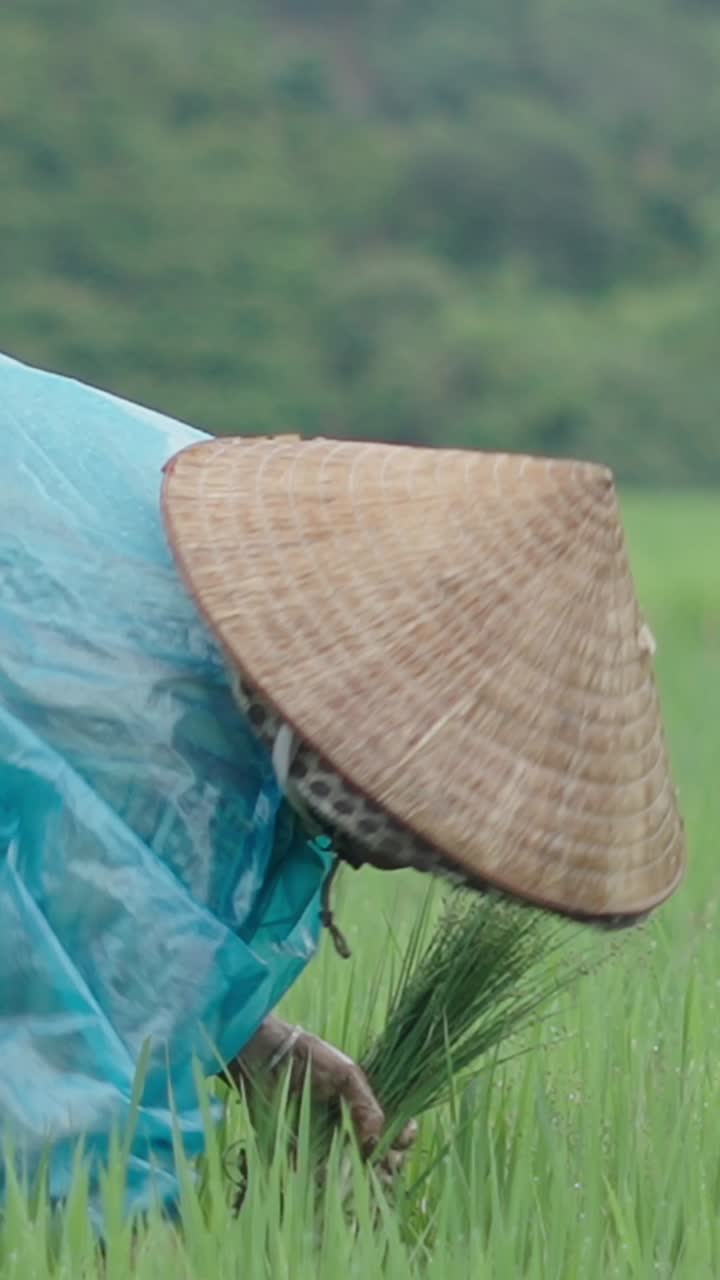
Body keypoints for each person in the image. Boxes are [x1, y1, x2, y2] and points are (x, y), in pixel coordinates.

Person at [0, 352, 685, 1217]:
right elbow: (58, 1153)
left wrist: (247, 1042)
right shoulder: (142, 728)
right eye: (423, 821)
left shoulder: (177, 532)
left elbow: (58, 940)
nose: (403, 861)